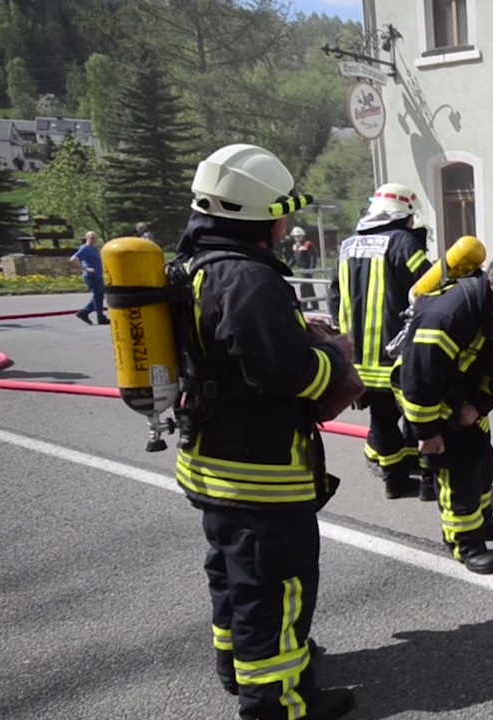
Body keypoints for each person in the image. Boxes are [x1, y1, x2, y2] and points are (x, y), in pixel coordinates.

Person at [174, 143, 364, 719]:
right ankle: (278, 702)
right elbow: (290, 374)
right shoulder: (248, 279)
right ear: (263, 217)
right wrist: (334, 355)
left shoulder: (198, 267)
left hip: (212, 465)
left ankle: (237, 667)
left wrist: (294, 330)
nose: (287, 224)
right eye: (284, 212)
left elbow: (232, 352)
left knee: (233, 577)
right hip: (260, 476)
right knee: (274, 591)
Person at [391, 246, 493, 574]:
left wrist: (478, 405)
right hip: (427, 395)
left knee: (482, 459)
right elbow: (419, 377)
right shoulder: (449, 314)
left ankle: (482, 523)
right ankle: (465, 544)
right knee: (457, 467)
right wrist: (428, 432)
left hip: (463, 393)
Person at [329, 183, 434, 501]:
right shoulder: (402, 242)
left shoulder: (347, 246)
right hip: (398, 356)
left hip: (359, 358)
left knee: (382, 420)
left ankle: (395, 480)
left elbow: (334, 296)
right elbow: (427, 287)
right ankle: (429, 482)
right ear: (403, 214)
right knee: (422, 414)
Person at [70, 230, 107, 325]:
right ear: (87, 238)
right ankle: (100, 317)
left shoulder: (93, 249)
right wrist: (86, 269)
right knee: (97, 296)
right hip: (91, 276)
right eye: (91, 238)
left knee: (99, 296)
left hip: (98, 275)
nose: (93, 240)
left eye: (94, 238)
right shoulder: (85, 248)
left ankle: (84, 313)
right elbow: (73, 259)